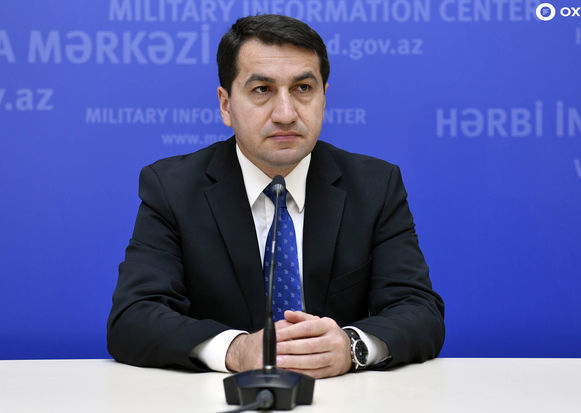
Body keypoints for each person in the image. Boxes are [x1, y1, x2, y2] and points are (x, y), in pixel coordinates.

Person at [107, 14, 445, 379]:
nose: (285, 114)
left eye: (303, 88)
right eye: (262, 90)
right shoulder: (173, 188)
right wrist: (236, 350)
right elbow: (133, 316)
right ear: (226, 105)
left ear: (323, 98)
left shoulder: (375, 186)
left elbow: (419, 310)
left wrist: (351, 347)